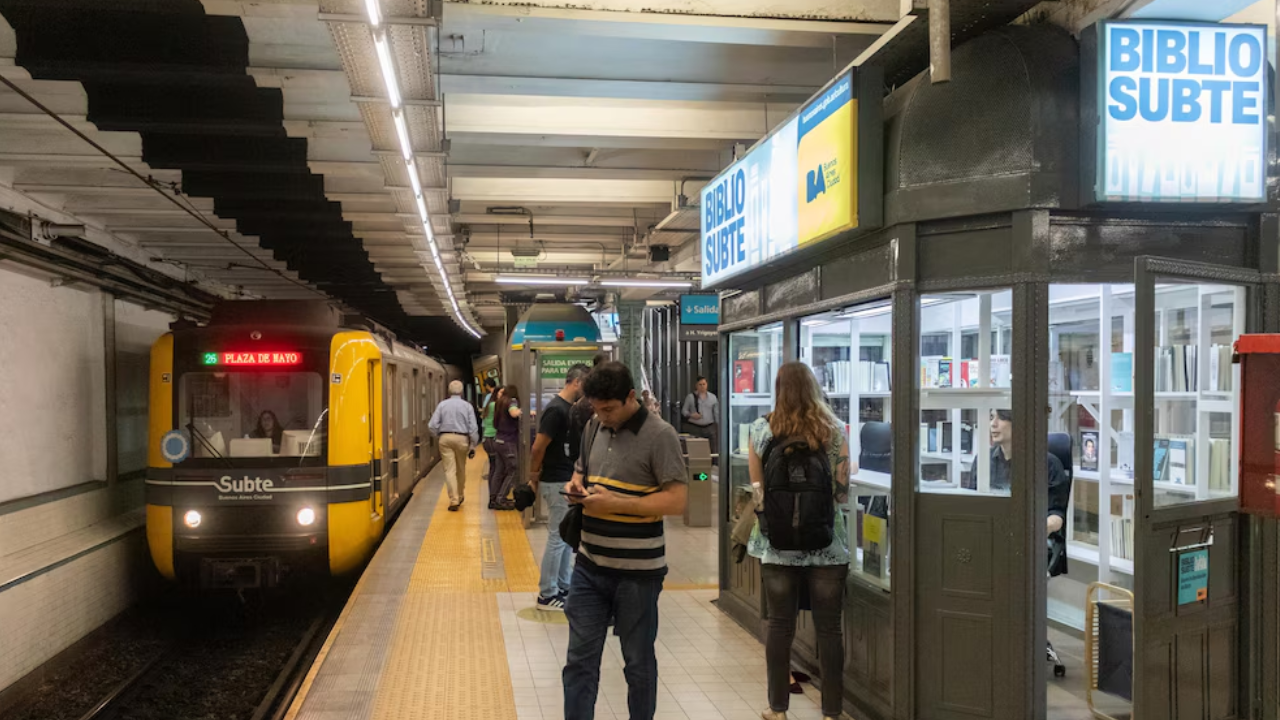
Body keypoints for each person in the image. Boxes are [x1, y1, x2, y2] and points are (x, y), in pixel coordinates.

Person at [561, 362, 688, 720]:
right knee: (579, 662)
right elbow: (581, 471)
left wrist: (618, 504)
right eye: (596, 408)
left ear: (631, 397)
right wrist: (576, 489)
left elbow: (677, 501)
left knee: (638, 663)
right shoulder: (591, 427)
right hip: (588, 567)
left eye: (609, 408)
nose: (602, 416)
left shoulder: (660, 435)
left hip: (638, 574)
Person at [747, 362, 852, 720]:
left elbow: (758, 491)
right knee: (830, 629)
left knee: (780, 626)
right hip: (828, 545)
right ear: (814, 388)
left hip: (776, 546)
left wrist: (774, 518)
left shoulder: (762, 429)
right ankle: (832, 712)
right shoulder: (834, 429)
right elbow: (841, 493)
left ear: (778, 389)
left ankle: (778, 709)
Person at [529, 363, 591, 611]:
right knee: (557, 537)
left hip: (563, 479)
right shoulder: (556, 410)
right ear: (576, 382)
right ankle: (547, 593)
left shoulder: (568, 409)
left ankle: (563, 585)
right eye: (586, 385)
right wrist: (533, 475)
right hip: (555, 479)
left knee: (565, 537)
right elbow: (538, 447)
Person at [988, 409, 1070, 539]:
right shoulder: (983, 460)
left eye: (1001, 418)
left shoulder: (1048, 464)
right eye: (991, 417)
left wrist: (1041, 528)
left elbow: (1056, 514)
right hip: (990, 531)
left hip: (1026, 536)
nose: (993, 423)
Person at [428, 380, 479, 512]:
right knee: (461, 469)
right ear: (461, 391)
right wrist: (473, 444)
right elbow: (473, 428)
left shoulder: (442, 405)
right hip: (462, 438)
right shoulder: (467, 406)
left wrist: (439, 435)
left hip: (445, 438)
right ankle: (461, 495)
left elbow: (432, 425)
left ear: (449, 391)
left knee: (449, 470)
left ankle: (454, 499)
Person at [489, 384, 523, 510]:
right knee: (513, 470)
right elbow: (513, 413)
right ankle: (501, 498)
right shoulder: (512, 401)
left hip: (498, 439)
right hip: (508, 441)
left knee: (499, 470)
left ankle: (493, 498)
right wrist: (523, 411)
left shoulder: (499, 402)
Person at [681, 376, 719, 465]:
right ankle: (697, 465)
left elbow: (716, 412)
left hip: (709, 426)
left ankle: (713, 466)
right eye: (700, 385)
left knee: (713, 448)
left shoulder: (713, 398)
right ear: (696, 386)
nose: (702, 386)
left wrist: (717, 425)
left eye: (704, 384)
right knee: (696, 448)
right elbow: (684, 411)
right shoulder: (691, 397)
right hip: (695, 427)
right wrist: (691, 415)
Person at [479, 379, 500, 485]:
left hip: (487, 434)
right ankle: (495, 490)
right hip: (493, 436)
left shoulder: (488, 400)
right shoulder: (494, 403)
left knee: (493, 463)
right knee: (497, 464)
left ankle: (492, 489)